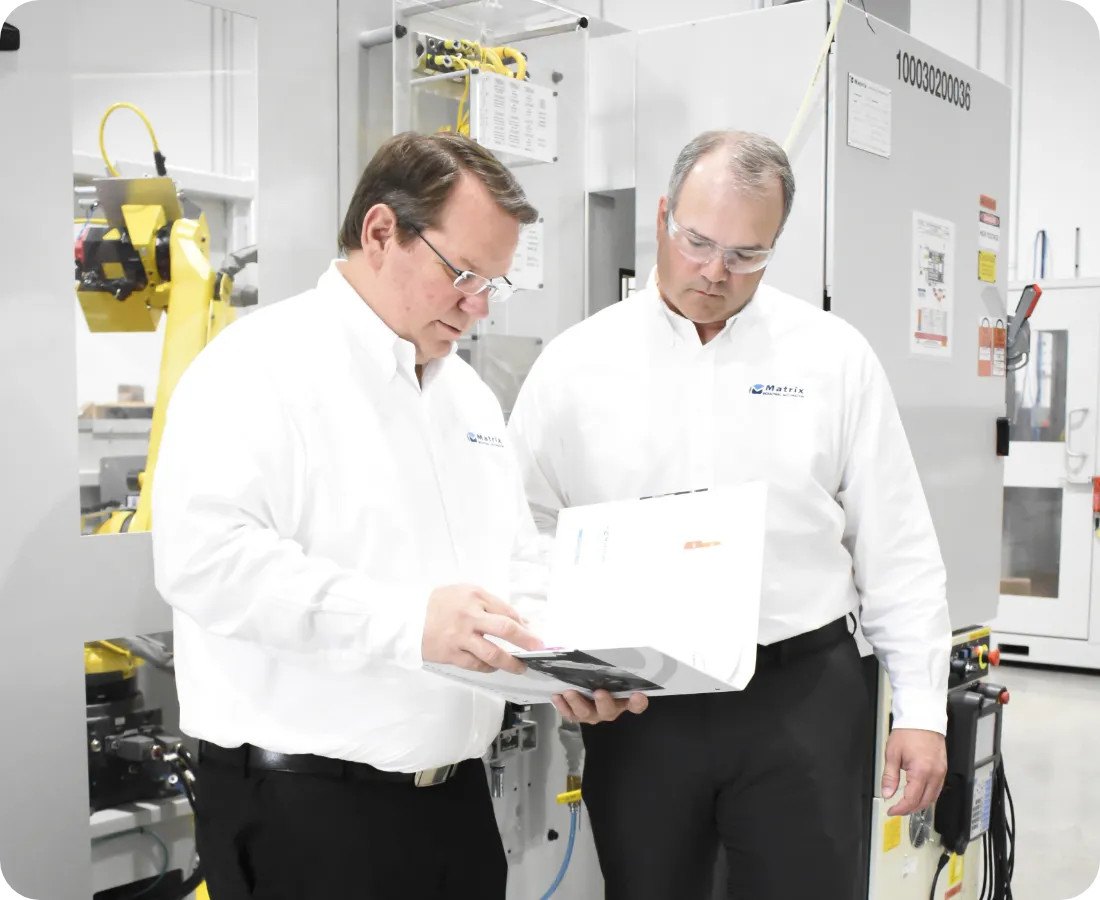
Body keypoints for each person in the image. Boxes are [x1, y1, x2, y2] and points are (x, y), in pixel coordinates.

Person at [150, 131, 640, 900]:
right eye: (465, 274)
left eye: (496, 284)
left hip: (453, 806)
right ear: (381, 232)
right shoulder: (256, 368)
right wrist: (407, 623)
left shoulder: (467, 398)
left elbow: (513, 566)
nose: (478, 306)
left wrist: (565, 666)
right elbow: (205, 561)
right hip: (305, 817)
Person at [506, 129, 952, 900]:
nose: (714, 272)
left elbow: (897, 543)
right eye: (698, 242)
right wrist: (558, 661)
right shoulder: (576, 365)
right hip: (641, 704)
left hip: (801, 697)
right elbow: (521, 529)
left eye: (746, 254)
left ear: (776, 245)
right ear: (662, 217)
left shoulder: (832, 358)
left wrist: (923, 709)